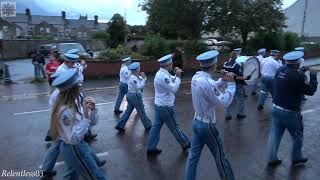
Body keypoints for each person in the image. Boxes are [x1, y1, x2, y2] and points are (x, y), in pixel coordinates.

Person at [46, 69, 107, 179]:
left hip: (78, 144)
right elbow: (73, 139)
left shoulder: (76, 101)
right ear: (72, 90)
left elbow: (92, 123)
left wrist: (93, 110)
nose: (81, 88)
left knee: (71, 175)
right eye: (79, 86)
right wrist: (86, 118)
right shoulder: (64, 111)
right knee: (94, 174)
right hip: (73, 147)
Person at [185, 50, 236, 180]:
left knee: (193, 157)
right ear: (214, 66)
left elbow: (211, 87)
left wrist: (222, 80)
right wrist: (231, 84)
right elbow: (224, 102)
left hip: (197, 122)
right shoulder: (207, 83)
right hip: (207, 126)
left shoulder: (196, 77)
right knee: (220, 156)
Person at [267, 51, 318, 167]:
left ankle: (272, 159)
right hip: (290, 112)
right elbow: (310, 91)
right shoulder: (298, 76)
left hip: (276, 108)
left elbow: (289, 76)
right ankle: (296, 158)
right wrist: (313, 76)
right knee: (297, 135)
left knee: (275, 135)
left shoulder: (280, 70)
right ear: (298, 62)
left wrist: (301, 71)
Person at [147, 54, 190, 155]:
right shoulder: (163, 76)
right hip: (166, 107)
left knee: (156, 127)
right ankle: (186, 143)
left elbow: (171, 79)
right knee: (175, 127)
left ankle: (151, 147)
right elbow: (173, 89)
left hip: (159, 105)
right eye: (171, 63)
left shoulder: (162, 73)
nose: (172, 64)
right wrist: (179, 77)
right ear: (169, 64)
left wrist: (176, 75)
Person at [115, 62, 152, 131]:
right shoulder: (133, 78)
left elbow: (142, 79)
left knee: (128, 111)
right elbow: (139, 87)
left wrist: (143, 78)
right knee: (141, 110)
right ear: (137, 70)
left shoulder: (133, 75)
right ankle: (148, 125)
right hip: (135, 95)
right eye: (139, 68)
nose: (140, 69)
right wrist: (143, 79)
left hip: (130, 95)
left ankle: (120, 125)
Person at [223, 51, 250, 120]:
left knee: (228, 99)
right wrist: (246, 78)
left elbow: (223, 74)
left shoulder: (225, 64)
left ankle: (227, 115)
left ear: (230, 56)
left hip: (228, 84)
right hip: (237, 84)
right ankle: (239, 114)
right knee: (240, 99)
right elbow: (237, 77)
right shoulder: (237, 66)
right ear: (236, 57)